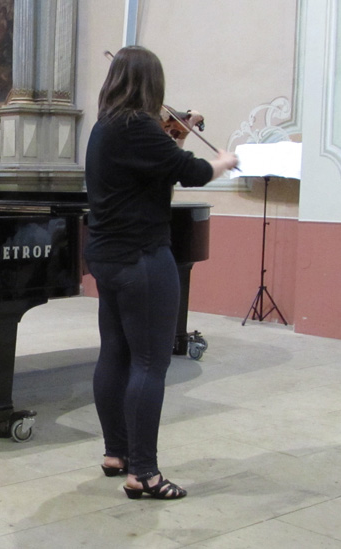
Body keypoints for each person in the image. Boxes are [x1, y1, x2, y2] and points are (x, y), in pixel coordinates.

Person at [85, 46, 238, 500]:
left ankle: (117, 453)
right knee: (150, 363)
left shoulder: (105, 127)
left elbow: (158, 170)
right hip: (142, 258)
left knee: (114, 354)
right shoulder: (139, 126)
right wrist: (224, 162)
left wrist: (176, 134)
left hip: (108, 256)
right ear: (153, 85)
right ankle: (144, 473)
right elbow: (190, 173)